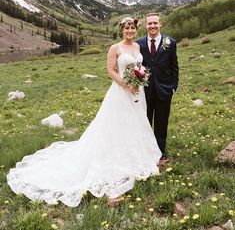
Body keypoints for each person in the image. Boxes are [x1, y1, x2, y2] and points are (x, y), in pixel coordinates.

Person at [7, 17, 161, 207]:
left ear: (136, 30)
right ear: (122, 30)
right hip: (121, 92)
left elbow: (139, 66)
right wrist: (126, 84)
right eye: (127, 28)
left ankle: (136, 154)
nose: (130, 31)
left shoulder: (137, 48)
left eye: (132, 28)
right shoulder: (115, 48)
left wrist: (139, 78)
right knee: (116, 125)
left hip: (138, 92)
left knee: (135, 123)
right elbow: (110, 71)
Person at [136, 13, 179, 162]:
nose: (152, 26)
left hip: (164, 90)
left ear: (160, 24)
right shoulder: (139, 44)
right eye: (150, 24)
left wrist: (173, 87)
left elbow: (174, 67)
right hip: (145, 91)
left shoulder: (170, 43)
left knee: (161, 123)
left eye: (155, 23)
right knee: (145, 122)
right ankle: (146, 151)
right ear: (145, 26)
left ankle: (161, 151)